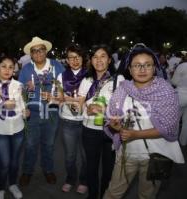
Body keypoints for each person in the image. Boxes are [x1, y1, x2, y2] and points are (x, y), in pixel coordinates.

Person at [103, 46, 185, 199]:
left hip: (155, 155)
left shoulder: (166, 91)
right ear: (129, 68)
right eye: (137, 65)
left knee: (147, 196)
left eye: (147, 64)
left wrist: (136, 134)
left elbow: (169, 127)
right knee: (112, 194)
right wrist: (115, 126)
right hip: (127, 154)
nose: (142, 69)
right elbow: (113, 119)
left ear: (154, 68)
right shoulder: (122, 90)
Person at [78, 44, 124, 199]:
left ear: (109, 60)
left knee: (108, 169)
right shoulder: (86, 80)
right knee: (91, 167)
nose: (99, 60)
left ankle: (105, 195)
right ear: (91, 60)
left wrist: (104, 110)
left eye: (103, 56)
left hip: (110, 131)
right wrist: (87, 107)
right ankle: (92, 195)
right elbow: (80, 103)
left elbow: (124, 108)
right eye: (95, 57)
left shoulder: (118, 80)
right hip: (89, 130)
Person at [18, 36, 64, 186]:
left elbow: (64, 88)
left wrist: (55, 94)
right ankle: (27, 171)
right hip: (33, 113)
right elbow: (18, 92)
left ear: (46, 51)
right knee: (30, 144)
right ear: (31, 54)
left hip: (51, 111)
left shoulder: (57, 66)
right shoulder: (26, 69)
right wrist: (26, 88)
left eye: (41, 50)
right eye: (34, 51)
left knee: (49, 144)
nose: (38, 53)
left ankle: (48, 169)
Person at [0, 56, 29, 199]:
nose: (7, 70)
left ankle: (12, 184)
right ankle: (0, 188)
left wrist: (25, 111)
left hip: (17, 129)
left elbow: (23, 106)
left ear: (14, 69)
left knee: (14, 162)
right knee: (4, 163)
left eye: (10, 67)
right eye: (3, 66)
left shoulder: (18, 85)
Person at [56, 44, 88, 194]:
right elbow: (57, 98)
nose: (75, 60)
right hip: (68, 121)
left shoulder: (90, 75)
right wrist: (58, 98)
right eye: (71, 57)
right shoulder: (61, 76)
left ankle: (83, 180)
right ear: (67, 60)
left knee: (85, 155)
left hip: (87, 121)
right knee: (70, 156)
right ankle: (70, 178)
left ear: (83, 58)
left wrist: (66, 98)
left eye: (78, 57)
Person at [171, 53, 187, 146]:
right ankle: (183, 142)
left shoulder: (182, 66)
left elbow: (174, 81)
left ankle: (174, 142)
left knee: (176, 120)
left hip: (181, 95)